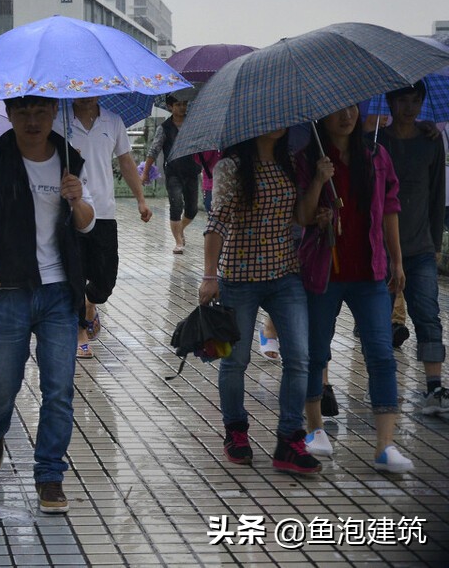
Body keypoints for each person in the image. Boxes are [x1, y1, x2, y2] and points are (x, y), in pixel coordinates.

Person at [0, 94, 94, 514]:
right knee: (3, 383)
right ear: (10, 114)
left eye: (41, 112)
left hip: (59, 291)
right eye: (22, 112)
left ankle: (50, 475)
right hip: (9, 287)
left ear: (55, 112)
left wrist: (77, 200)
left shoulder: (70, 159)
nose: (32, 121)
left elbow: (88, 222)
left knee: (59, 389)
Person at [296, 104, 413, 472]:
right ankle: (314, 430)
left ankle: (384, 445)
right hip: (323, 271)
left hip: (370, 274)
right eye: (336, 110)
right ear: (321, 117)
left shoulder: (376, 156)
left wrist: (396, 260)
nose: (346, 116)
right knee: (317, 353)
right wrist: (318, 182)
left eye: (352, 108)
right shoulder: (308, 157)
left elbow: (390, 209)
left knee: (380, 354)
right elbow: (301, 216)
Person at [200, 127, 322, 475]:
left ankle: (289, 439)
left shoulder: (290, 162)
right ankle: (236, 431)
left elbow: (300, 216)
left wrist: (318, 182)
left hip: (285, 274)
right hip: (239, 279)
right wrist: (210, 276)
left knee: (299, 357)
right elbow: (217, 221)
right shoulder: (231, 167)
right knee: (236, 361)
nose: (276, 123)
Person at [54, 96, 152, 359]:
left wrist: (140, 199)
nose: (87, 93)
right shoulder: (58, 118)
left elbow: (126, 161)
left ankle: (90, 304)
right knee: (73, 274)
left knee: (106, 278)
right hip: (71, 209)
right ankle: (79, 331)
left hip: (104, 211)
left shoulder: (113, 120)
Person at [376, 81, 447, 416]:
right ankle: (384, 387)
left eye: (415, 101)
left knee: (428, 315)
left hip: (419, 248)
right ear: (390, 103)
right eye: (402, 100)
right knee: (378, 322)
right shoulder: (375, 143)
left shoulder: (432, 142)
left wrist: (435, 241)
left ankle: (434, 387)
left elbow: (437, 196)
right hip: (380, 250)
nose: (409, 107)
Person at [141, 95, 201, 254]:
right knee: (176, 205)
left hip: (192, 171)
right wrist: (145, 172)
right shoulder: (165, 127)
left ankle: (180, 227)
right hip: (173, 172)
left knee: (192, 209)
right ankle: (178, 242)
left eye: (184, 104)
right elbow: (154, 150)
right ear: (169, 107)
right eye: (178, 104)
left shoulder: (194, 124)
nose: (182, 107)